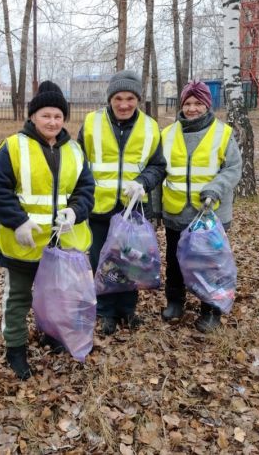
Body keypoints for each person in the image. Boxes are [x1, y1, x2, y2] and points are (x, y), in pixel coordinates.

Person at [0, 81, 94, 380]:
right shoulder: (13, 147)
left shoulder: (74, 150)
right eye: (46, 115)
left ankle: (50, 333)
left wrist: (75, 211)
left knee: (56, 294)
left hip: (60, 244)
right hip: (22, 243)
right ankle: (16, 349)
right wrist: (18, 220)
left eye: (58, 116)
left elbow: (85, 188)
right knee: (19, 298)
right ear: (33, 116)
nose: (52, 122)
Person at [78, 70, 167, 336]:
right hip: (99, 208)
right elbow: (78, 162)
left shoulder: (150, 127)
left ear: (138, 99)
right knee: (102, 262)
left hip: (132, 210)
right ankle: (105, 312)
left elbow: (158, 165)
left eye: (130, 98)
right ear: (110, 99)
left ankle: (128, 311)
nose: (124, 104)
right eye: (118, 98)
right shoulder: (92, 123)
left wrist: (142, 182)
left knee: (130, 263)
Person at [160, 81, 242, 333]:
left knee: (210, 264)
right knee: (174, 260)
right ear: (181, 105)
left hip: (210, 214)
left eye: (198, 103)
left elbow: (233, 169)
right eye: (187, 103)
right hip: (176, 211)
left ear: (208, 105)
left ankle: (211, 309)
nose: (192, 108)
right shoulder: (168, 134)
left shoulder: (223, 133)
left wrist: (214, 189)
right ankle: (175, 301)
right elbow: (158, 170)